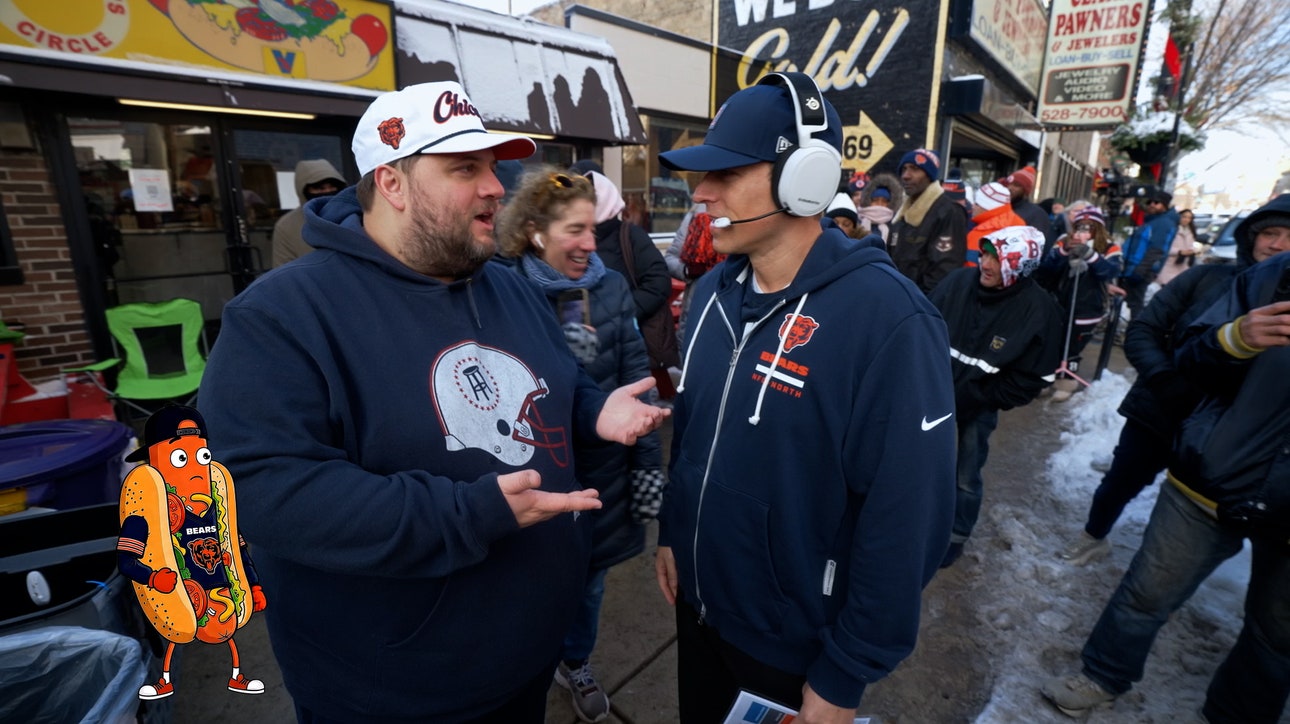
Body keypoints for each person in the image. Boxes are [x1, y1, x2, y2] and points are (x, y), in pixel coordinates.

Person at [197, 81, 668, 724]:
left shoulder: (506, 286)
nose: (496, 186)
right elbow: (264, 492)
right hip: (393, 692)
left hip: (525, 659)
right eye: (464, 168)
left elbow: (550, 380)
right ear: (391, 182)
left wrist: (590, 409)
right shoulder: (280, 316)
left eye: (494, 167)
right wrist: (469, 515)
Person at [652, 72, 957, 723]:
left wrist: (845, 675)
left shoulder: (890, 321)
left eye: (725, 174)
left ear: (807, 178)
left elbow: (907, 516)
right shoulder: (708, 298)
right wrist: (676, 533)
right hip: (700, 612)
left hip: (791, 652)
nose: (700, 195)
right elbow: (695, 434)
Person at [1041, 242, 1290, 723]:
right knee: (1147, 587)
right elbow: (1175, 345)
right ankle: (1102, 673)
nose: (1278, 242)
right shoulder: (1258, 281)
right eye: (1271, 231)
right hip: (1208, 475)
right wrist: (1233, 339)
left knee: (1277, 636)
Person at [496, 168, 664, 723]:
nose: (591, 243)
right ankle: (527, 664)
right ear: (534, 230)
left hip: (601, 479)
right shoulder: (497, 290)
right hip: (528, 473)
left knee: (588, 586)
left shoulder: (610, 287)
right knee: (525, 587)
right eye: (575, 229)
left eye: (593, 229)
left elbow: (637, 375)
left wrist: (646, 469)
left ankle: (576, 661)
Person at [1057, 195, 1290, 566]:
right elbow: (1143, 331)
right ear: (1252, 237)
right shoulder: (1205, 280)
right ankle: (1093, 536)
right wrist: (1166, 381)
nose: (1278, 245)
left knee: (1190, 524)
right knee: (1120, 483)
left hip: (1232, 442)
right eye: (1270, 233)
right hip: (1160, 415)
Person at [928, 225, 1065, 567]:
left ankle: (956, 534)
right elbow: (922, 325)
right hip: (930, 394)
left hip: (979, 405)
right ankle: (913, 519)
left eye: (998, 258)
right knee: (919, 462)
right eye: (985, 253)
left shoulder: (1039, 310)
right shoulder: (958, 282)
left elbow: (1036, 376)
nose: (985, 263)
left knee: (966, 473)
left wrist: (983, 396)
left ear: (1021, 267)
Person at [582, 170, 677, 382]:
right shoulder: (572, 237)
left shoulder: (630, 235)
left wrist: (623, 315)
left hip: (629, 343)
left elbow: (658, 282)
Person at [1034, 207, 1124, 403]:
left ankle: (1066, 381)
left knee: (1073, 345)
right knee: (1052, 343)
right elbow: (1046, 268)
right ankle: (1045, 378)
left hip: (1087, 307)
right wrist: (1065, 251)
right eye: (1079, 226)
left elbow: (1110, 272)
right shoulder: (1064, 240)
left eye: (1089, 227)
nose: (1083, 231)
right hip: (1059, 303)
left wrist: (1091, 255)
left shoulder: (1109, 247)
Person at [889, 148, 969, 293]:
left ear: (929, 176)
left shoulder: (949, 212)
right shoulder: (901, 215)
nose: (906, 176)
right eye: (904, 169)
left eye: (915, 169)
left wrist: (918, 302)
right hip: (897, 298)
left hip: (921, 305)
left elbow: (944, 271)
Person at [1118, 185, 1180, 321]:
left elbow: (1156, 250)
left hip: (1140, 270)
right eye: (1149, 202)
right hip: (1133, 267)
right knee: (1129, 302)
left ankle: (1133, 332)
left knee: (1135, 304)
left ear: (1164, 205)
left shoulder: (1164, 223)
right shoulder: (1154, 220)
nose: (1152, 205)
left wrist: (1140, 271)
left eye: (1156, 202)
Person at [271, 159, 345, 266]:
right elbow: (283, 269)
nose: (327, 192)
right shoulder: (287, 226)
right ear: (304, 191)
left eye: (333, 186)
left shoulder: (357, 214)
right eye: (319, 188)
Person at [967, 182, 1026, 268]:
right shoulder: (1021, 225)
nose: (972, 206)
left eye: (976, 203)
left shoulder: (977, 235)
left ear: (986, 207)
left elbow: (970, 268)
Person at [1001, 165, 1051, 242]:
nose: (1010, 188)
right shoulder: (999, 208)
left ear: (1025, 191)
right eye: (1008, 184)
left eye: (1016, 185)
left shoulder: (1036, 214)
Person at [1154, 208, 1199, 286]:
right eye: (1184, 217)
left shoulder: (1191, 232)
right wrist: (1179, 251)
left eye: (1189, 218)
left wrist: (1192, 251)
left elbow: (1190, 245)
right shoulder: (1172, 229)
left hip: (1183, 265)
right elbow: (1164, 247)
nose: (1186, 220)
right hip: (1169, 264)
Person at [856, 172, 902, 244]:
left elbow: (895, 246)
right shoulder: (857, 221)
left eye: (884, 201)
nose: (879, 204)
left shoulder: (895, 225)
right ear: (868, 201)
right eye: (875, 200)